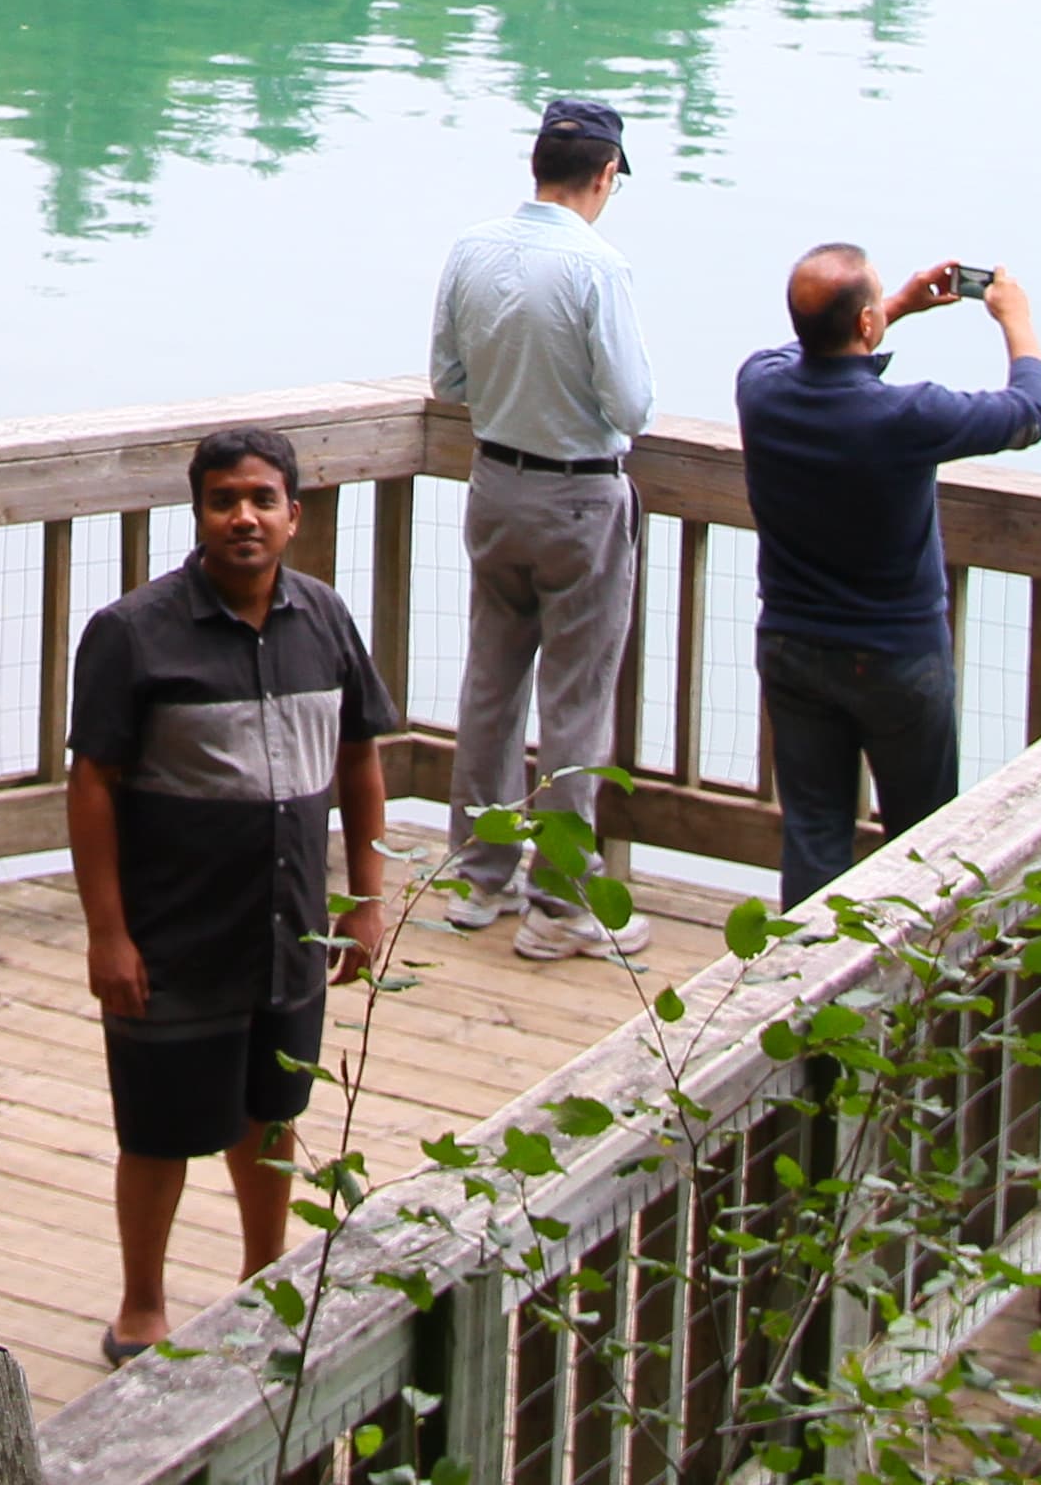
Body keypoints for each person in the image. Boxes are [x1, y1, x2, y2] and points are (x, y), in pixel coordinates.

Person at [64, 429, 403, 1363]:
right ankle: (143, 1303)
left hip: (290, 930)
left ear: (295, 515)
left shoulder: (326, 619)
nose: (243, 517)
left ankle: (268, 1274)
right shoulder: (133, 633)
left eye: (262, 499)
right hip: (175, 932)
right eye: (223, 500)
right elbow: (93, 784)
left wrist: (366, 898)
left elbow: (361, 759)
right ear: (199, 514)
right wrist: (109, 935)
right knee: (160, 1127)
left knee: (273, 1114)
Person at [735, 248, 1041, 904]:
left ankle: (803, 988)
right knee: (921, 841)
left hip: (793, 647)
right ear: (864, 326)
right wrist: (1014, 319)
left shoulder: (760, 389)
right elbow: (1030, 411)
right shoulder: (908, 417)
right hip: (898, 657)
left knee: (814, 835)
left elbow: (802, 348)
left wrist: (896, 307)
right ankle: (914, 997)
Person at [426, 93, 659, 957]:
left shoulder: (472, 248)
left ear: (536, 166)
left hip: (494, 487)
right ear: (605, 175)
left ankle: (475, 882)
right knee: (574, 701)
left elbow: (448, 381)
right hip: (579, 499)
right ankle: (560, 907)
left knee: (491, 683)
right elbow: (631, 405)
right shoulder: (600, 268)